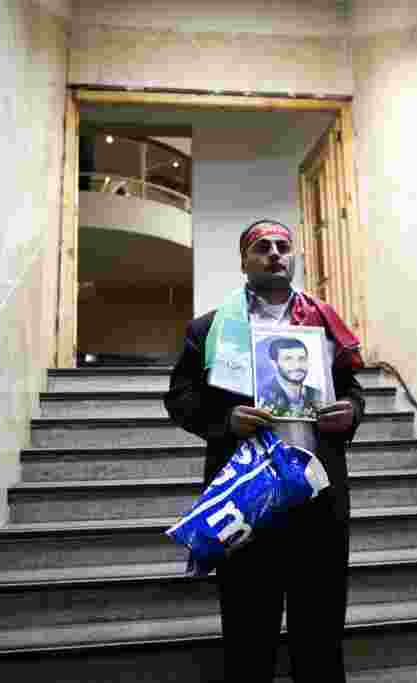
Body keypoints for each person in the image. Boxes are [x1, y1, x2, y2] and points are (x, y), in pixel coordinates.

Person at [164, 218, 365, 683]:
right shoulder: (212, 328)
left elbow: (353, 388)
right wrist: (224, 422)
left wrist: (351, 412)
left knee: (321, 628)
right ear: (244, 261)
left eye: (283, 246)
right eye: (262, 247)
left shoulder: (322, 323)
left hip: (319, 495)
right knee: (248, 627)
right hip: (247, 495)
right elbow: (180, 397)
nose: (275, 253)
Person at [256, 336, 323, 418]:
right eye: (288, 359)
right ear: (274, 364)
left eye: (302, 358)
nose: (297, 365)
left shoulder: (317, 395)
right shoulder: (261, 396)